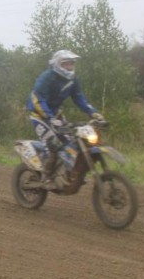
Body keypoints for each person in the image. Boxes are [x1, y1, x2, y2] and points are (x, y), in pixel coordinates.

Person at [26, 50, 104, 189]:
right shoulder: (47, 77)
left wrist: (93, 113)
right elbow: (38, 100)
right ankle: (46, 177)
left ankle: (69, 171)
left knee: (71, 140)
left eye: (71, 64)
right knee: (52, 143)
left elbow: (79, 98)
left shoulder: (73, 79)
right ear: (57, 64)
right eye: (66, 64)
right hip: (39, 114)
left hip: (56, 113)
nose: (69, 67)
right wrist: (49, 117)